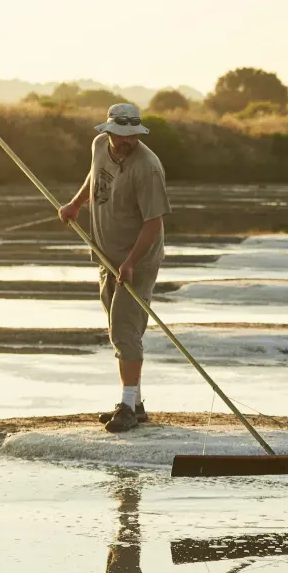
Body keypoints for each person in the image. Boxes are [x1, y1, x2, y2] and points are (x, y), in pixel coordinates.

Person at [59, 103, 171, 432]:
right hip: (108, 255)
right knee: (119, 325)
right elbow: (95, 177)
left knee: (124, 328)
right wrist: (75, 205)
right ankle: (134, 403)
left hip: (138, 257)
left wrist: (131, 262)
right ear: (107, 132)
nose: (127, 142)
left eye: (132, 136)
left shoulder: (147, 167)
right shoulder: (98, 146)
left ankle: (127, 406)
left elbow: (153, 222)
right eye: (121, 136)